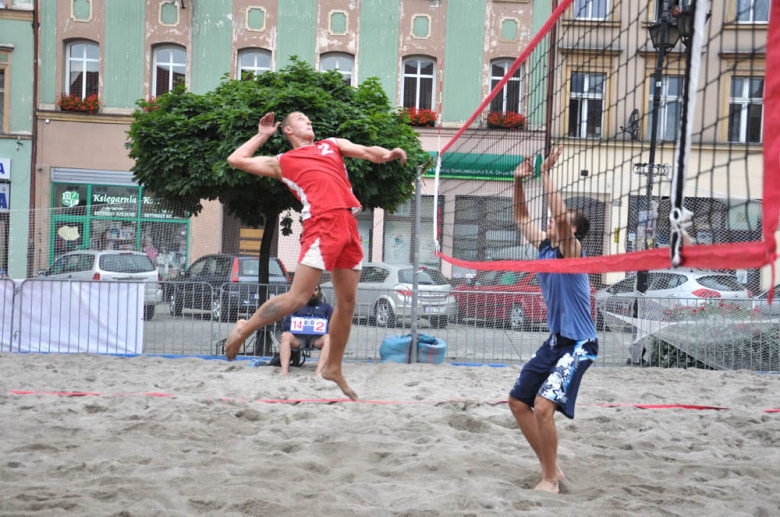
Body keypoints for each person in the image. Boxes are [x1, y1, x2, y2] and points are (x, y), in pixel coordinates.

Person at [223, 111, 407, 400]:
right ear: (287, 130)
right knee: (298, 297)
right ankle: (243, 330)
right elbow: (236, 160)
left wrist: (387, 154)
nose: (308, 121)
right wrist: (262, 135)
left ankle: (333, 367)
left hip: (348, 225)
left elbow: (368, 152)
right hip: (321, 224)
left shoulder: (331, 144)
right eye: (300, 119)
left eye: (308, 118)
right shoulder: (284, 161)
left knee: (348, 302)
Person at [507, 145, 599, 494]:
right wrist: (519, 182)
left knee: (543, 407)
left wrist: (545, 174)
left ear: (571, 231)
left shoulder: (572, 252)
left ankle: (549, 481)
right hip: (557, 341)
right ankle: (552, 467)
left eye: (558, 222)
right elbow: (521, 219)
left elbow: (559, 218)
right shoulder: (545, 246)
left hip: (580, 344)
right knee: (518, 402)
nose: (548, 222)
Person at [277, 285, 333, 377]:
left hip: (317, 338)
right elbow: (285, 324)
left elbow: (333, 325)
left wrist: (324, 328)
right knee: (285, 336)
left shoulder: (326, 307)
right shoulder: (297, 306)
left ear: (319, 291)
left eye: (315, 289)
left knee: (328, 338)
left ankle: (318, 372)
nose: (312, 292)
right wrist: (298, 326)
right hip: (299, 337)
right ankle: (284, 371)